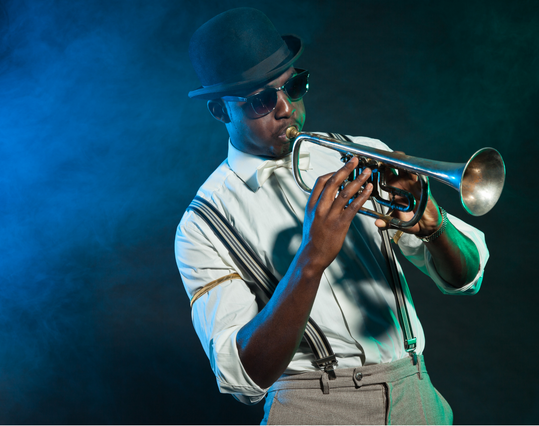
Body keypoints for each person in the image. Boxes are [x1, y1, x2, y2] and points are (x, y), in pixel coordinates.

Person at [175, 7, 488, 425]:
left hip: (415, 392)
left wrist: (434, 227)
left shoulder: (360, 152)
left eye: (295, 85)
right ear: (219, 111)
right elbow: (244, 377)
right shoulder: (202, 224)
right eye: (262, 100)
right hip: (311, 407)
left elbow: (465, 279)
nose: (286, 108)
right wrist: (310, 261)